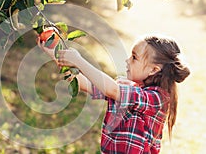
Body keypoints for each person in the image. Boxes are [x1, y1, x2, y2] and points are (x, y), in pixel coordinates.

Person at [38, 35, 190, 153]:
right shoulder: (129, 88)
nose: (127, 60)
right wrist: (56, 54)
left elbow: (110, 89)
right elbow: (85, 84)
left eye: (134, 57)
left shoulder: (157, 98)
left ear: (154, 70)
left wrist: (79, 61)